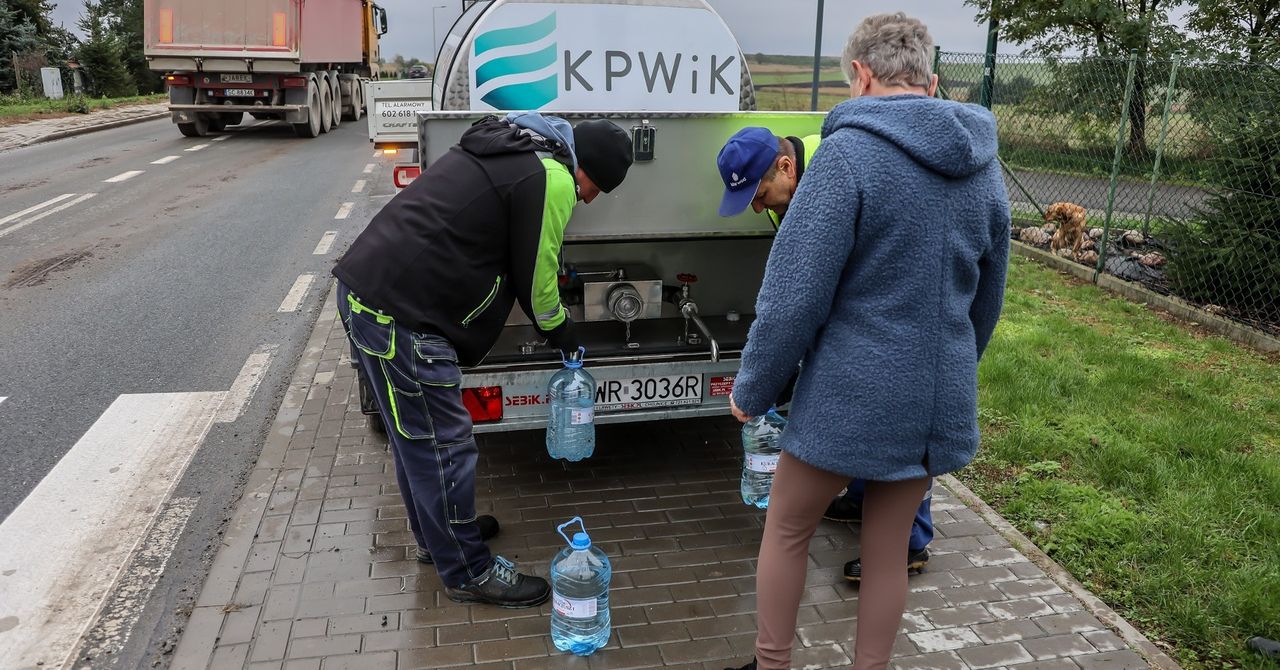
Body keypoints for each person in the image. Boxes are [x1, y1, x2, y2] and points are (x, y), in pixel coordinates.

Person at [723, 12, 1010, 670]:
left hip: (851, 394)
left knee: (788, 527)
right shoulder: (984, 166)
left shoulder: (848, 154)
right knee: (888, 551)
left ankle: (772, 665)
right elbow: (987, 297)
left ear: (859, 73)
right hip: (932, 398)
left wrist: (755, 388)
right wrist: (954, 363)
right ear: (929, 77)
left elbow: (795, 294)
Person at [333, 112, 634, 608]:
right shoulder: (552, 177)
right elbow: (540, 286)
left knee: (419, 444)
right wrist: (563, 332)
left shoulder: (516, 153)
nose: (587, 200)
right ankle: (469, 571)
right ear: (589, 170)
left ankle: (441, 542)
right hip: (401, 316)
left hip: (372, 295)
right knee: (445, 446)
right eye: (596, 188)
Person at [717, 127, 935, 580]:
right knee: (852, 410)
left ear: (785, 166)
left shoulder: (836, 173)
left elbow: (797, 297)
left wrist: (762, 379)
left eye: (760, 194)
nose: (758, 208)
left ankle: (908, 543)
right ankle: (858, 496)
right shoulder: (794, 188)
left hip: (899, 314)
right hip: (855, 313)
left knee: (895, 425)